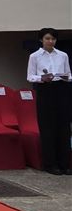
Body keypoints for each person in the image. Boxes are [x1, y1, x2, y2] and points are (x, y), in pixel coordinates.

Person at [27, 28, 71, 175]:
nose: (50, 41)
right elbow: (30, 76)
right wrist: (42, 78)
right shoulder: (35, 56)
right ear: (41, 40)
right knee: (48, 127)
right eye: (47, 39)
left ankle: (64, 163)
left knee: (63, 126)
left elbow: (69, 74)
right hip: (45, 89)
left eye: (53, 39)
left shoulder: (63, 55)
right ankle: (50, 164)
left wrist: (65, 77)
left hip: (61, 88)